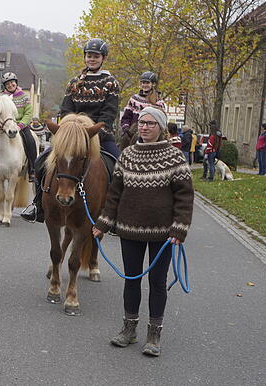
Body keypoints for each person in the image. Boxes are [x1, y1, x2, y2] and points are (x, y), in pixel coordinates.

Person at [92, 106, 193, 357]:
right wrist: (103, 224)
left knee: (157, 282)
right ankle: (129, 329)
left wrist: (179, 228)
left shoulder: (174, 157)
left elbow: (184, 196)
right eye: (142, 123)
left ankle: (154, 334)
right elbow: (114, 194)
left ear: (161, 128)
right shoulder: (127, 155)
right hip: (129, 229)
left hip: (163, 233)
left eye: (151, 123)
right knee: (132, 279)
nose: (145, 127)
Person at [23, 38, 120, 222]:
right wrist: (72, 130)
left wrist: (90, 132)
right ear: (85, 57)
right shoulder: (75, 82)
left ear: (103, 58)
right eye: (89, 56)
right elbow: (66, 109)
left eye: (96, 56)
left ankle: (114, 214)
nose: (92, 59)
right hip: (71, 136)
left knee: (120, 167)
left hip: (99, 135)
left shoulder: (110, 82)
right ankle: (38, 205)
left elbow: (109, 113)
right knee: (40, 162)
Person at [0, 72, 38, 180]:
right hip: (4, 126)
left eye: (12, 83)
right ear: (5, 86)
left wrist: (20, 125)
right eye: (7, 84)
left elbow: (28, 113)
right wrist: (0, 124)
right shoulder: (1, 97)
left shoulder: (24, 97)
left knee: (30, 141)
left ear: (16, 83)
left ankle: (32, 168)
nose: (10, 85)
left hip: (21, 125)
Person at [120, 72, 165, 142]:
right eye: (143, 83)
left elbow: (162, 121)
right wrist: (126, 128)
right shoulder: (134, 99)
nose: (144, 85)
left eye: (147, 83)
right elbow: (126, 117)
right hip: (132, 133)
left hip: (150, 134)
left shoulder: (158, 101)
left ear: (153, 84)